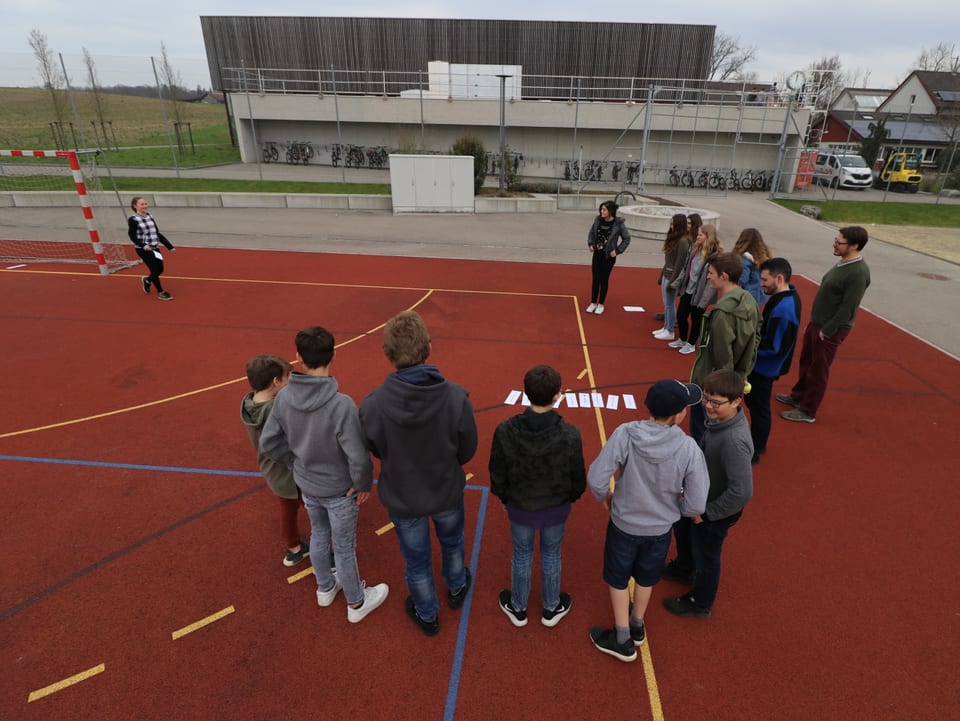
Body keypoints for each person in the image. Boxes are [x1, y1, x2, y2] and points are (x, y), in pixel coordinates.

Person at [359, 311, 478, 636]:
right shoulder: (456, 397)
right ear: (428, 346)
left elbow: (373, 446)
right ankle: (456, 586)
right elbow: (467, 448)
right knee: (452, 543)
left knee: (416, 559)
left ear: (388, 353)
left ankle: (427, 613)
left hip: (403, 496)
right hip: (445, 491)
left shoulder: (373, 404)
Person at [259, 326, 389, 623]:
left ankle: (325, 588)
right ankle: (356, 602)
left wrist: (295, 463)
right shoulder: (340, 404)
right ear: (334, 354)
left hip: (307, 485)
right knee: (343, 547)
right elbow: (357, 454)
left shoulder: (284, 398)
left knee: (319, 534)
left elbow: (269, 443)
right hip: (339, 489)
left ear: (297, 358)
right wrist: (362, 484)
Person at [586, 379, 709, 662]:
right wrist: (678, 511)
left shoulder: (626, 433)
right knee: (646, 576)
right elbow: (696, 503)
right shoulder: (689, 448)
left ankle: (621, 636)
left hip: (624, 524)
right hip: (660, 529)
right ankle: (637, 625)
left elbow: (596, 477)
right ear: (678, 415)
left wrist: (605, 497)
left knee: (618, 579)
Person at [489, 365, 586, 628]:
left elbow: (497, 472)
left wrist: (506, 497)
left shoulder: (505, 430)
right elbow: (578, 477)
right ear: (557, 395)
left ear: (526, 393)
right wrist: (570, 497)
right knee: (551, 553)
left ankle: (518, 607)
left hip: (520, 506)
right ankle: (551, 607)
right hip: (555, 507)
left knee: (522, 553)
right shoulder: (569, 434)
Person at [662, 369, 754, 618]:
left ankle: (700, 601)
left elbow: (742, 491)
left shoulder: (734, 441)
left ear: (736, 401)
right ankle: (684, 567)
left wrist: (708, 514)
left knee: (707, 554)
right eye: (705, 398)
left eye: (716, 402)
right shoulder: (723, 421)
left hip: (712, 511)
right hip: (699, 499)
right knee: (682, 528)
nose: (708, 406)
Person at [778, 227, 871, 423]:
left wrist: (827, 330)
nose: (834, 245)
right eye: (835, 240)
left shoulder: (858, 273)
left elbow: (849, 306)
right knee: (806, 361)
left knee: (819, 369)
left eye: (839, 242)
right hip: (818, 323)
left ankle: (808, 410)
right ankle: (798, 396)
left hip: (830, 329)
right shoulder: (843, 263)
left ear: (854, 246)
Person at [240, 354, 310, 567]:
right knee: (310, 506)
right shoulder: (274, 410)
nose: (290, 380)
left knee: (288, 507)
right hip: (288, 471)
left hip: (273, 471)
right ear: (276, 382)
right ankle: (310, 551)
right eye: (287, 377)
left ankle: (293, 547)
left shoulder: (250, 403)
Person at [688, 252, 761, 445]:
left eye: (711, 272)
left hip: (713, 382)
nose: (708, 276)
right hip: (737, 377)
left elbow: (722, 354)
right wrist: (742, 374)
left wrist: (724, 386)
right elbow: (757, 335)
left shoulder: (721, 313)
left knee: (701, 431)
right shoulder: (749, 301)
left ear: (724, 276)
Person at [744, 258, 801, 463]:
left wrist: (746, 346)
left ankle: (756, 449)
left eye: (765, 279)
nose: (761, 284)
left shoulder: (784, 309)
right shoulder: (785, 297)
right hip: (764, 366)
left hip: (764, 368)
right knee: (756, 404)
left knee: (760, 409)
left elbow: (774, 347)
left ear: (779, 278)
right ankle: (756, 442)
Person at [672, 223, 721, 355]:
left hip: (699, 293)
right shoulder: (694, 248)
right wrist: (678, 282)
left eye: (700, 235)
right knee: (681, 315)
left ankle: (691, 343)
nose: (697, 236)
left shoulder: (714, 256)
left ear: (708, 236)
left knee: (696, 318)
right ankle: (682, 339)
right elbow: (686, 267)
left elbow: (712, 279)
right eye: (698, 234)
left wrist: (704, 300)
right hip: (688, 289)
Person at [585, 200, 631, 316]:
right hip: (597, 254)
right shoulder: (597, 220)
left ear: (611, 211)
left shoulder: (618, 224)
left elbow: (627, 238)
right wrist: (591, 244)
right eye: (601, 209)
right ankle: (593, 303)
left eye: (604, 210)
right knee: (595, 279)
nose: (602, 211)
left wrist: (618, 250)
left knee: (604, 279)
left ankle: (601, 304)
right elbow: (591, 233)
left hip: (608, 256)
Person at [128, 196, 175, 301]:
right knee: (154, 269)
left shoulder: (149, 216)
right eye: (142, 204)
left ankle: (147, 280)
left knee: (160, 269)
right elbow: (132, 236)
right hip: (143, 249)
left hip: (154, 247)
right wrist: (143, 245)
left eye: (145, 204)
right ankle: (161, 292)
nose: (145, 206)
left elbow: (156, 233)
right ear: (135, 206)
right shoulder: (133, 220)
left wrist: (169, 246)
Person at [652, 213, 690, 341]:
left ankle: (670, 330)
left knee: (670, 304)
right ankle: (665, 327)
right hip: (666, 274)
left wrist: (672, 281)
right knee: (666, 303)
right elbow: (668, 261)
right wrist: (661, 275)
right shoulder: (673, 239)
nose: (671, 225)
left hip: (672, 276)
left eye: (673, 223)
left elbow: (679, 264)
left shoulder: (683, 242)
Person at [732, 228, 771, 307]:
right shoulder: (762, 257)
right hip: (759, 295)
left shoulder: (745, 259)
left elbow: (742, 280)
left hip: (746, 298)